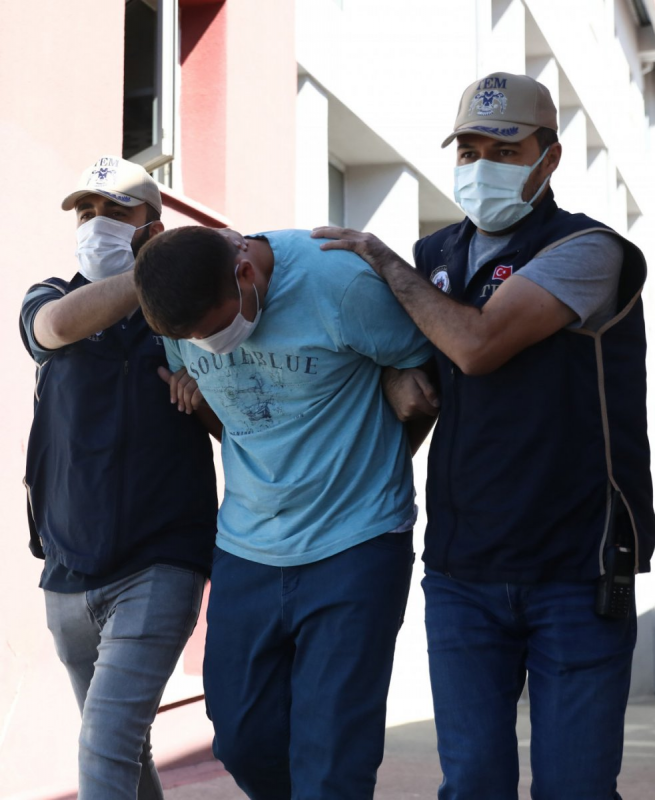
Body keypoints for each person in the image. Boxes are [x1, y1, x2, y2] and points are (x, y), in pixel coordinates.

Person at [313, 72, 655, 800]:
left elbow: (475, 346)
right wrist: (394, 380)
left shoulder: (587, 250)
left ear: (548, 157)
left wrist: (381, 262)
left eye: (502, 150)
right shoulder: (434, 253)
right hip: (462, 569)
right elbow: (421, 373)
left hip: (577, 566)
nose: (479, 166)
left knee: (574, 788)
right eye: (467, 150)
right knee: (470, 783)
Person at [133, 225, 433, 799]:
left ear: (245, 272)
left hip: (357, 540)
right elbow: (243, 415)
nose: (205, 344)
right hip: (248, 544)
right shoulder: (182, 317)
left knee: (333, 753)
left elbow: (425, 375)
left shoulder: (337, 286)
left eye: (212, 330)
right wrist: (199, 403)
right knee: (242, 738)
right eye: (190, 340)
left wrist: (385, 444)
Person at [20, 156, 218, 799]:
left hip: (159, 562)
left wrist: (203, 394)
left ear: (152, 229)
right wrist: (156, 277)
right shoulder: (50, 295)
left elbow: (239, 420)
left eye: (114, 212)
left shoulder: (192, 321)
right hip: (68, 574)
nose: (95, 224)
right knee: (125, 751)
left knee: (104, 748)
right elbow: (55, 330)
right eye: (86, 212)